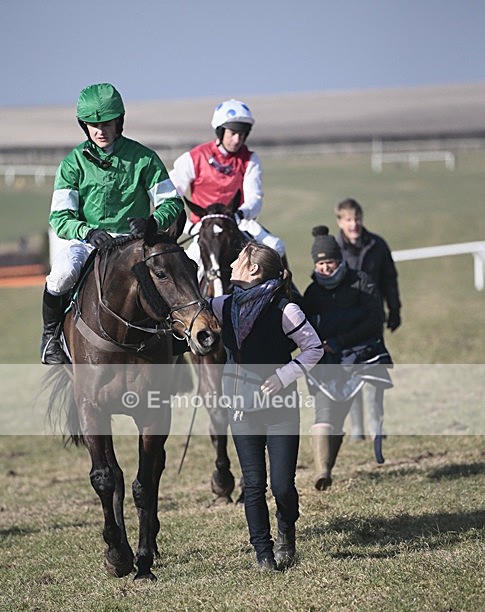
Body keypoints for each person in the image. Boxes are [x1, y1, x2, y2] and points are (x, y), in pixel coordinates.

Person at [41, 83, 184, 364]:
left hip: (136, 242)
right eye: (92, 125)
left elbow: (172, 203)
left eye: (106, 123)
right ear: (84, 126)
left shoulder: (144, 159)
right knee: (60, 276)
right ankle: (50, 338)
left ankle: (181, 334)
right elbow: (60, 217)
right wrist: (88, 231)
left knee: (177, 269)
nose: (100, 131)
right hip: (88, 242)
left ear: (119, 121)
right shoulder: (72, 164)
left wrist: (152, 223)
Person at [209, 242, 322, 571]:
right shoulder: (221, 305)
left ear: (253, 269)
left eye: (238, 259)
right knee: (253, 484)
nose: (231, 264)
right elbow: (186, 311)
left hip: (281, 407)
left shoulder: (286, 309)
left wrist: (286, 375)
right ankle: (263, 553)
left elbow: (314, 348)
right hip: (241, 406)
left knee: (283, 486)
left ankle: (287, 530)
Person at [302, 226, 393, 491]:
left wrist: (338, 342)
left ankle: (327, 468)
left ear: (339, 260)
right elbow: (306, 327)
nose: (325, 268)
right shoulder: (312, 293)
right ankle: (322, 472)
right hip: (325, 362)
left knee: (338, 418)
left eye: (329, 261)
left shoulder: (362, 282)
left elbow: (374, 321)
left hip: (356, 358)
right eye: (320, 263)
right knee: (324, 413)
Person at [169, 99, 286, 270]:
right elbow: (170, 195)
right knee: (186, 270)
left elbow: (255, 197)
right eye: (232, 133)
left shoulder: (251, 159)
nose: (237, 139)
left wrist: (240, 214)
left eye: (242, 133)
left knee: (277, 247)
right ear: (220, 131)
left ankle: (291, 295)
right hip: (204, 228)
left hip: (239, 223)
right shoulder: (193, 158)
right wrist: (188, 227)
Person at [334, 198, 401, 441]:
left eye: (357, 218)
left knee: (374, 371)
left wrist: (394, 309)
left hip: (373, 319)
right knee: (350, 373)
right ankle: (357, 430)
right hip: (345, 321)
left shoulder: (377, 245)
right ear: (340, 221)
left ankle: (376, 427)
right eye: (349, 220)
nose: (354, 224)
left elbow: (389, 280)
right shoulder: (334, 249)